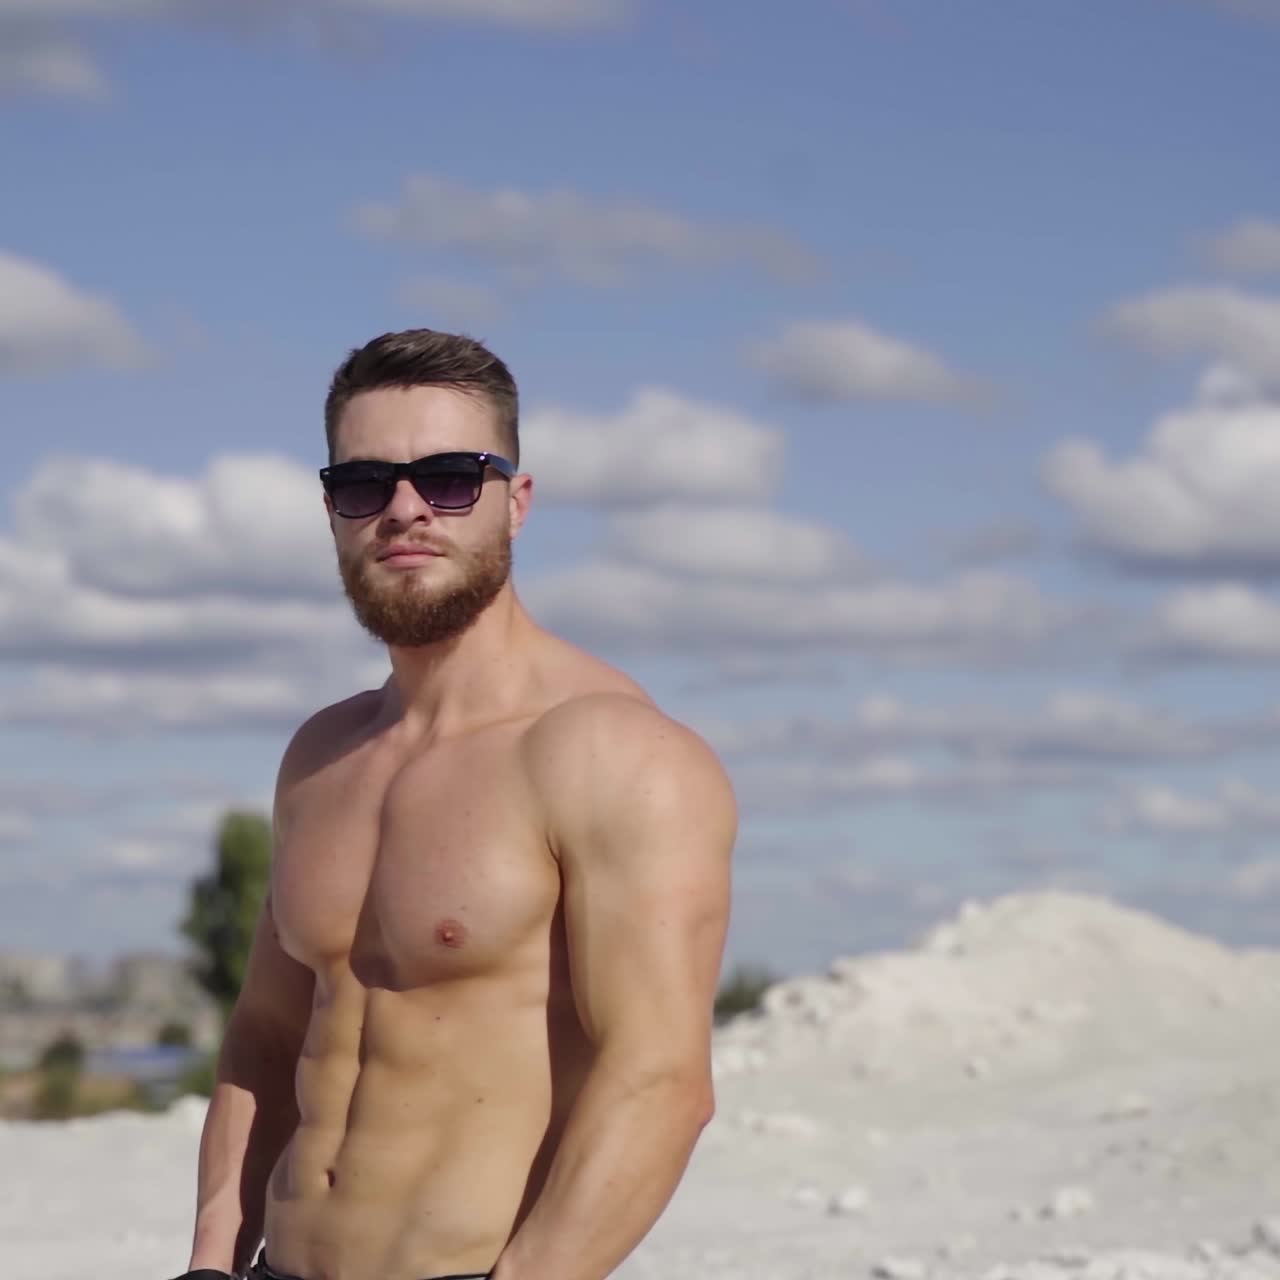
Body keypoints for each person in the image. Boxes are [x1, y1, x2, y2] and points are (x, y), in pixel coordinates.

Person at [171, 330, 737, 1280]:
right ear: (332, 510)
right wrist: (208, 1262)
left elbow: (660, 1080)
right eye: (365, 484)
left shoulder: (610, 751)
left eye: (448, 478)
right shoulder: (321, 754)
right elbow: (267, 1033)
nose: (403, 511)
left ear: (516, 502)